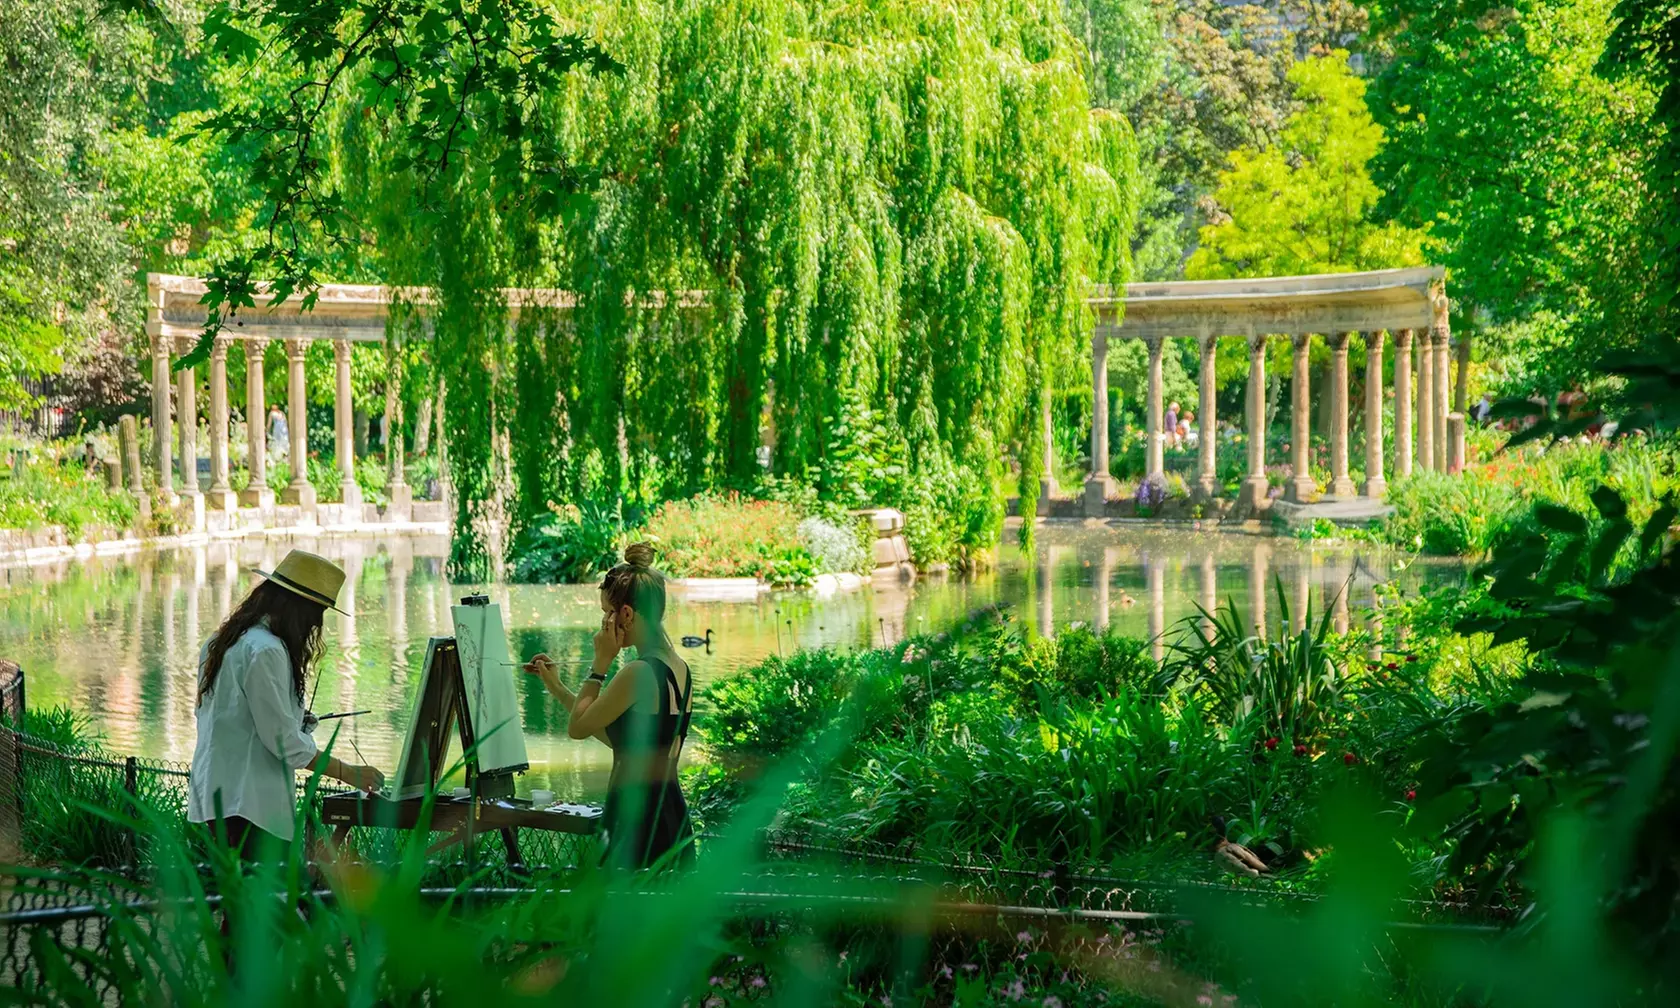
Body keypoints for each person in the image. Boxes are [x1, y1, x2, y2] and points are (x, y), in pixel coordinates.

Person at [188, 549, 384, 861]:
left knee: (239, 900)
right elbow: (285, 744)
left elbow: (227, 717)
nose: (315, 627)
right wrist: (351, 774)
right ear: (301, 611)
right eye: (316, 615)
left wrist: (295, 717)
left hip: (215, 792)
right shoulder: (267, 651)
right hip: (250, 802)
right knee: (262, 904)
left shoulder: (221, 642)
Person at [524, 543, 694, 869]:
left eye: (606, 612)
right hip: (672, 818)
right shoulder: (679, 668)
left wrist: (600, 664)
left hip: (637, 822)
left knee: (622, 918)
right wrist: (557, 687)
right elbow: (611, 733)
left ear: (626, 614)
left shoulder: (638, 672)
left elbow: (577, 729)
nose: (603, 621)